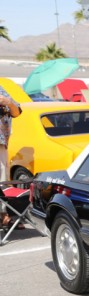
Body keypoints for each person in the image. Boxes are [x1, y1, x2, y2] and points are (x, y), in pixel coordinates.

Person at [0, 84, 23, 228]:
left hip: (1, 142)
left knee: (2, 180)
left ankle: (4, 215)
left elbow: (17, 112)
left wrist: (8, 102)